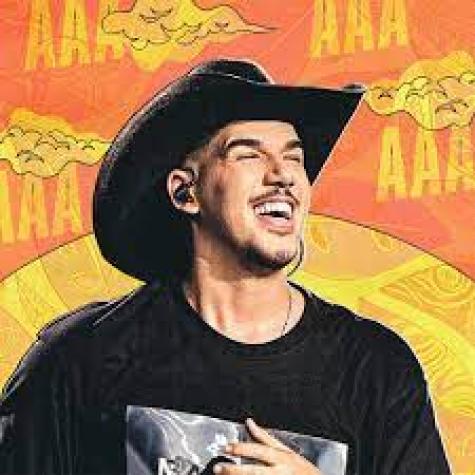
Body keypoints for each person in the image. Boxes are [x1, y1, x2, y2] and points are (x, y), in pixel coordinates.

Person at [0, 59, 451, 475]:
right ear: (185, 193)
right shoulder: (79, 361)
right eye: (249, 154)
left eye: (294, 157)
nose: (283, 175)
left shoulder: (375, 369)